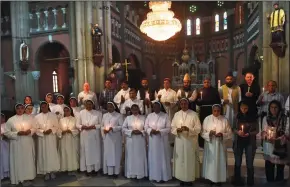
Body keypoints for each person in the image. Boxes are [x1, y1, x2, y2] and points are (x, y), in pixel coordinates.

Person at [171, 98, 201, 186]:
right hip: (180, 140)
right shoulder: (176, 114)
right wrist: (178, 130)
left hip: (190, 141)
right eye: (182, 104)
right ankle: (181, 178)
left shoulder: (194, 114)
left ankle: (189, 179)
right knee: (180, 160)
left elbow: (198, 128)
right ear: (180, 105)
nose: (183, 105)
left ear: (188, 104)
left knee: (189, 160)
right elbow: (172, 127)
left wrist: (189, 129)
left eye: (185, 104)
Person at [4, 104, 36, 185]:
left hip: (27, 142)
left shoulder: (29, 118)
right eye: (18, 108)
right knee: (19, 161)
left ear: (24, 109)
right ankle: (19, 178)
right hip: (17, 144)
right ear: (15, 109)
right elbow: (6, 132)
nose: (20, 110)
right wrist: (17, 133)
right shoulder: (11, 120)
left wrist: (30, 131)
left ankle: (28, 177)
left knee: (27, 160)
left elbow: (35, 127)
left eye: (21, 108)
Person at [201, 104, 232, 186]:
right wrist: (209, 134)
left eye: (218, 111)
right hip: (210, 145)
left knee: (220, 161)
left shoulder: (225, 120)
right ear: (212, 111)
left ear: (220, 111)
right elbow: (202, 132)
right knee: (211, 163)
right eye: (215, 111)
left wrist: (222, 135)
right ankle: (211, 178)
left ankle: (219, 179)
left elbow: (229, 133)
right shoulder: (207, 119)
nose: (216, 112)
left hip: (220, 145)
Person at [261, 100, 289, 182]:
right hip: (268, 143)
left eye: (276, 107)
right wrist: (266, 135)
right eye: (271, 107)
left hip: (280, 143)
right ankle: (270, 181)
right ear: (269, 108)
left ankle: (279, 181)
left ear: (279, 108)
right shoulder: (266, 118)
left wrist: (279, 138)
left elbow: (287, 131)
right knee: (269, 164)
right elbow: (263, 130)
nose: (273, 109)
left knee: (280, 166)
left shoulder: (285, 118)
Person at [232, 101, 259, 186]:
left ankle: (250, 182)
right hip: (238, 141)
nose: (244, 110)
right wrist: (237, 132)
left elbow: (257, 130)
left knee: (250, 163)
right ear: (239, 108)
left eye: (246, 108)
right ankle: (237, 181)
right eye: (242, 108)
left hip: (249, 142)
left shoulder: (253, 117)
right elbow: (232, 128)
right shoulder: (236, 116)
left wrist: (249, 134)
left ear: (249, 108)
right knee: (238, 162)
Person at [145, 101, 172, 183]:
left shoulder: (165, 116)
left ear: (160, 107)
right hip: (153, 141)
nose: (155, 108)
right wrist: (150, 130)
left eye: (157, 106)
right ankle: (153, 176)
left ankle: (163, 176)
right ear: (152, 108)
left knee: (162, 158)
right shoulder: (149, 116)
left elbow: (169, 128)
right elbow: (146, 126)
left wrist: (160, 131)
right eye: (154, 107)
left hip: (162, 141)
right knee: (153, 158)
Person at [35, 101, 60, 180]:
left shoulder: (53, 115)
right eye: (42, 107)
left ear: (47, 106)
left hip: (51, 138)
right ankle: (45, 172)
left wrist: (51, 130)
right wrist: (42, 131)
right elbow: (35, 128)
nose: (44, 108)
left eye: (45, 106)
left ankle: (52, 171)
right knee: (43, 154)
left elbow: (57, 126)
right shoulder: (37, 117)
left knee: (51, 154)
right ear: (40, 108)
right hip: (42, 138)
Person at [76, 99, 103, 175]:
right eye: (87, 104)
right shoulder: (81, 113)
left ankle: (95, 169)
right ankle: (88, 169)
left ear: (93, 105)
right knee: (86, 152)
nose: (88, 105)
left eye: (90, 104)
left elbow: (101, 124)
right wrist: (82, 126)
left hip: (94, 135)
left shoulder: (98, 113)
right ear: (84, 105)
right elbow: (77, 124)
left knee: (95, 152)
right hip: (84, 135)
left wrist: (94, 126)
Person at [122, 104, 147, 179]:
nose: (135, 110)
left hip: (140, 140)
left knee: (140, 156)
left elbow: (146, 128)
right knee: (131, 156)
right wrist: (131, 132)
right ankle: (131, 173)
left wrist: (141, 132)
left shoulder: (143, 117)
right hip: (131, 140)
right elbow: (123, 128)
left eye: (136, 109)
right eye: (133, 109)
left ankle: (140, 173)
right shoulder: (128, 118)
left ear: (139, 109)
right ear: (131, 110)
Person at [196, 77, 221, 148]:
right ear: (203, 83)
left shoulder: (214, 91)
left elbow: (218, 101)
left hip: (212, 111)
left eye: (208, 82)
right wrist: (199, 101)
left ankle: (213, 139)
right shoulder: (200, 90)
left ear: (210, 82)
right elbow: (197, 103)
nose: (206, 83)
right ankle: (202, 142)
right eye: (205, 82)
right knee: (204, 126)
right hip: (203, 111)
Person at [101, 102, 123, 177]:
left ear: (114, 107)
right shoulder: (104, 115)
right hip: (107, 138)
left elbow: (121, 126)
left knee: (115, 154)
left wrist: (113, 128)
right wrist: (104, 130)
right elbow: (101, 126)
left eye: (111, 106)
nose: (109, 108)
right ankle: (109, 172)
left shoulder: (118, 115)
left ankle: (116, 172)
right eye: (108, 106)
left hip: (115, 138)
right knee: (108, 154)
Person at [57, 105, 79, 174]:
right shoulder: (61, 120)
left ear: (71, 111)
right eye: (65, 111)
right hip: (64, 139)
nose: (66, 112)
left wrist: (71, 131)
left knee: (72, 153)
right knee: (64, 153)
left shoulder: (75, 119)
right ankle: (65, 168)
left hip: (72, 139)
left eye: (68, 110)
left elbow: (78, 129)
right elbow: (58, 129)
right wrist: (61, 132)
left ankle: (72, 168)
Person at [0, 113, 9, 180]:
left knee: (6, 158)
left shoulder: (7, 125)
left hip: (7, 144)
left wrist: (5, 135)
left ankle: (7, 174)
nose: (1, 119)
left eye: (2, 118)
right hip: (1, 144)